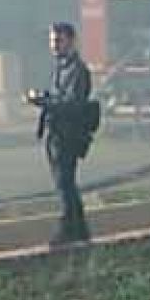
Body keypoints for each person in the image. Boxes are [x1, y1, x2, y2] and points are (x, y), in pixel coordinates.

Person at [27, 21, 96, 246]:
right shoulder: (60, 67)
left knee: (64, 183)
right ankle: (81, 230)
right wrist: (41, 96)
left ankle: (68, 229)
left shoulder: (79, 71)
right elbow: (58, 95)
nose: (54, 45)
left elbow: (73, 104)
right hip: (55, 133)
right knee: (65, 182)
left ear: (70, 40)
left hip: (69, 135)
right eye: (52, 41)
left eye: (58, 41)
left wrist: (46, 102)